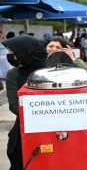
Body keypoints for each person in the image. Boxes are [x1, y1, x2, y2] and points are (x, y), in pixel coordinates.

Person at [4, 35, 48, 170]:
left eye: (12, 52)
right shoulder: (14, 74)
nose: (9, 55)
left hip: (53, 130)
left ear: (25, 51)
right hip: (24, 131)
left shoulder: (51, 69)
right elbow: (14, 106)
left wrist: (73, 61)